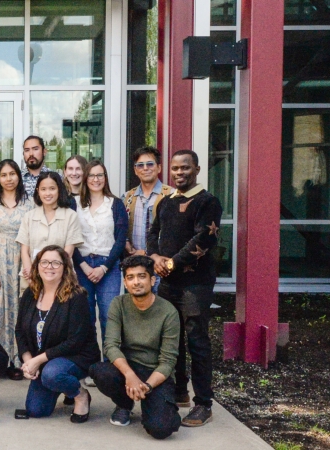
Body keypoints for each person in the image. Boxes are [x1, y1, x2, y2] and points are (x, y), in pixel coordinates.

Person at [147, 149, 222, 427]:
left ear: (197, 170)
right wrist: (155, 257)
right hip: (168, 284)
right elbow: (153, 232)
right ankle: (179, 391)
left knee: (197, 342)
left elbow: (204, 238)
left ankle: (203, 403)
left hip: (195, 285)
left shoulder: (207, 201)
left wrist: (172, 263)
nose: (179, 173)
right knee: (172, 340)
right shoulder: (166, 201)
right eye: (176, 168)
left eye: (185, 168)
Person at [89, 255, 181, 439]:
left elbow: (168, 361)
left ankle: (153, 403)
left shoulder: (168, 311)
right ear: (125, 282)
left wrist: (146, 386)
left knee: (161, 429)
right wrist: (130, 376)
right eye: (130, 277)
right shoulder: (119, 304)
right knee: (100, 371)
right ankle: (125, 403)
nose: (136, 282)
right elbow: (111, 346)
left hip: (155, 373)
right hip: (128, 368)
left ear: (152, 280)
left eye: (141, 276)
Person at [16, 245, 99, 422]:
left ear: (65, 267)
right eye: (44, 262)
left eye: (56, 263)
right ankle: (64, 386)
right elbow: (20, 330)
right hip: (45, 360)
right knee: (36, 409)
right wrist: (28, 360)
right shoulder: (30, 294)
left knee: (52, 374)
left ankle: (80, 395)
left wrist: (38, 360)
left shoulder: (76, 297)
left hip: (75, 356)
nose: (49, 267)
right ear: (37, 266)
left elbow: (75, 341)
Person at [0, 159, 34, 380]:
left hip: (21, 262)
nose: (8, 179)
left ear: (18, 176)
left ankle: (16, 361)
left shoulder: (30, 203)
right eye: (3, 175)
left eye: (12, 174)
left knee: (20, 311)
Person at [73, 160, 129, 346]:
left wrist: (104, 267)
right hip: (82, 266)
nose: (95, 179)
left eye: (100, 175)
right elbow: (70, 237)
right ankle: (90, 359)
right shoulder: (75, 204)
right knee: (85, 317)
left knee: (108, 316)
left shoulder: (116, 204)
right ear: (85, 178)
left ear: (105, 178)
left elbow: (120, 240)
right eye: (91, 175)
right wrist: (84, 266)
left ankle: (110, 360)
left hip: (109, 266)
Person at [16, 172, 83, 285]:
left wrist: (50, 272)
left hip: (61, 278)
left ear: (59, 190)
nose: (47, 193)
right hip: (31, 277)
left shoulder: (71, 216)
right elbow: (24, 250)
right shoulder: (29, 216)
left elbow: (68, 253)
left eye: (52, 188)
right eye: (43, 189)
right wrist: (31, 272)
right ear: (38, 191)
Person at [123, 146, 173, 294]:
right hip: (135, 267)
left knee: (161, 306)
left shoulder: (172, 196)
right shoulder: (127, 197)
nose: (145, 168)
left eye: (150, 164)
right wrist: (127, 244)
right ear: (135, 170)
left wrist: (146, 252)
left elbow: (176, 234)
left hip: (161, 267)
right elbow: (120, 228)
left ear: (159, 168)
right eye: (140, 165)